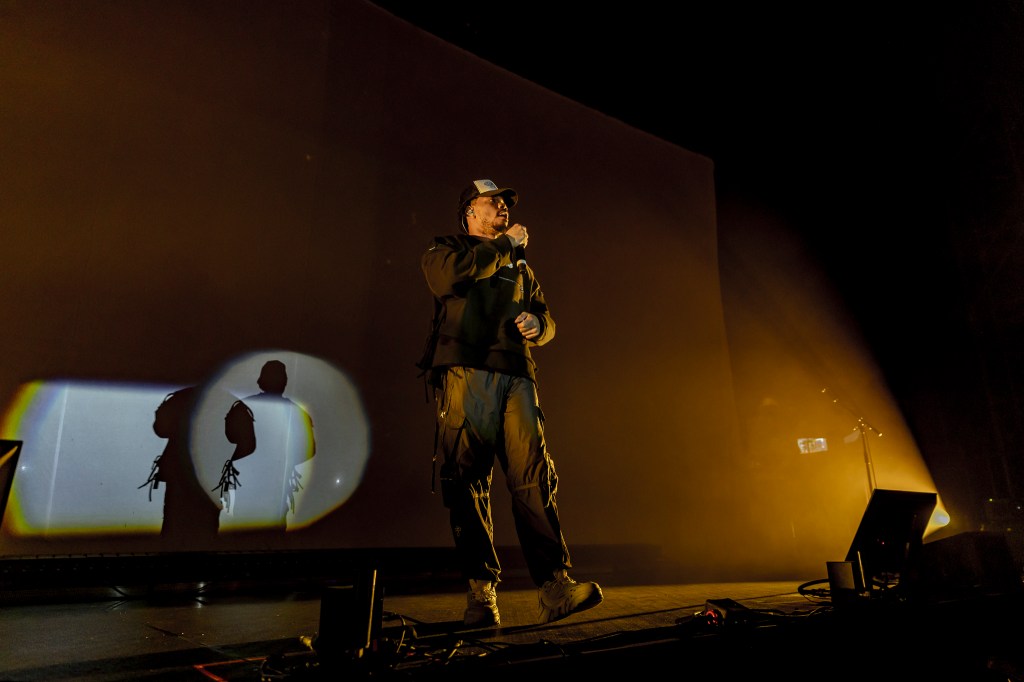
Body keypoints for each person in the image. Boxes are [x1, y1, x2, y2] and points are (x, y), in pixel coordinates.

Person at [419, 178, 603, 628]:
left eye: (505, 203)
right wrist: (505, 246)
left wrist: (540, 327)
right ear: (470, 212)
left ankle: (555, 586)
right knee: (467, 482)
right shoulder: (447, 249)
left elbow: (545, 315)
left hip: (517, 375)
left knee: (533, 477)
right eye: (493, 202)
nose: (502, 207)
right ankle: (481, 594)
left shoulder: (520, 267)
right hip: (466, 371)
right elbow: (449, 279)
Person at [214, 360, 317, 532]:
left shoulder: (243, 406)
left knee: (242, 528)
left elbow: (230, 438)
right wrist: (284, 462)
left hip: (247, 482)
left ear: (261, 381)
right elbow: (310, 449)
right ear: (284, 382)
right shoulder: (297, 412)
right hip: (274, 484)